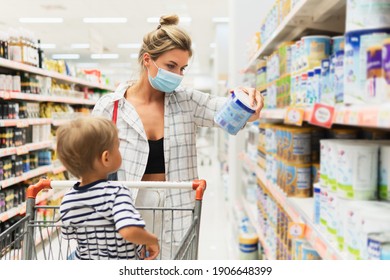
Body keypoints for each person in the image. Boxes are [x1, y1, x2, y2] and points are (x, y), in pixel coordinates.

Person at [92, 14, 264, 259]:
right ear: (147, 60)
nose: (177, 75)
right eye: (171, 66)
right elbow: (90, 165)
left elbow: (228, 112)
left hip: (178, 205)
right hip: (128, 208)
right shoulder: (111, 107)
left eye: (182, 68)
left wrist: (248, 104)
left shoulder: (186, 100)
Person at [56, 116, 159, 260]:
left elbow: (68, 233)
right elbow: (129, 230)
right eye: (117, 146)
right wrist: (151, 240)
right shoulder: (116, 192)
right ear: (106, 158)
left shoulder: (68, 200)